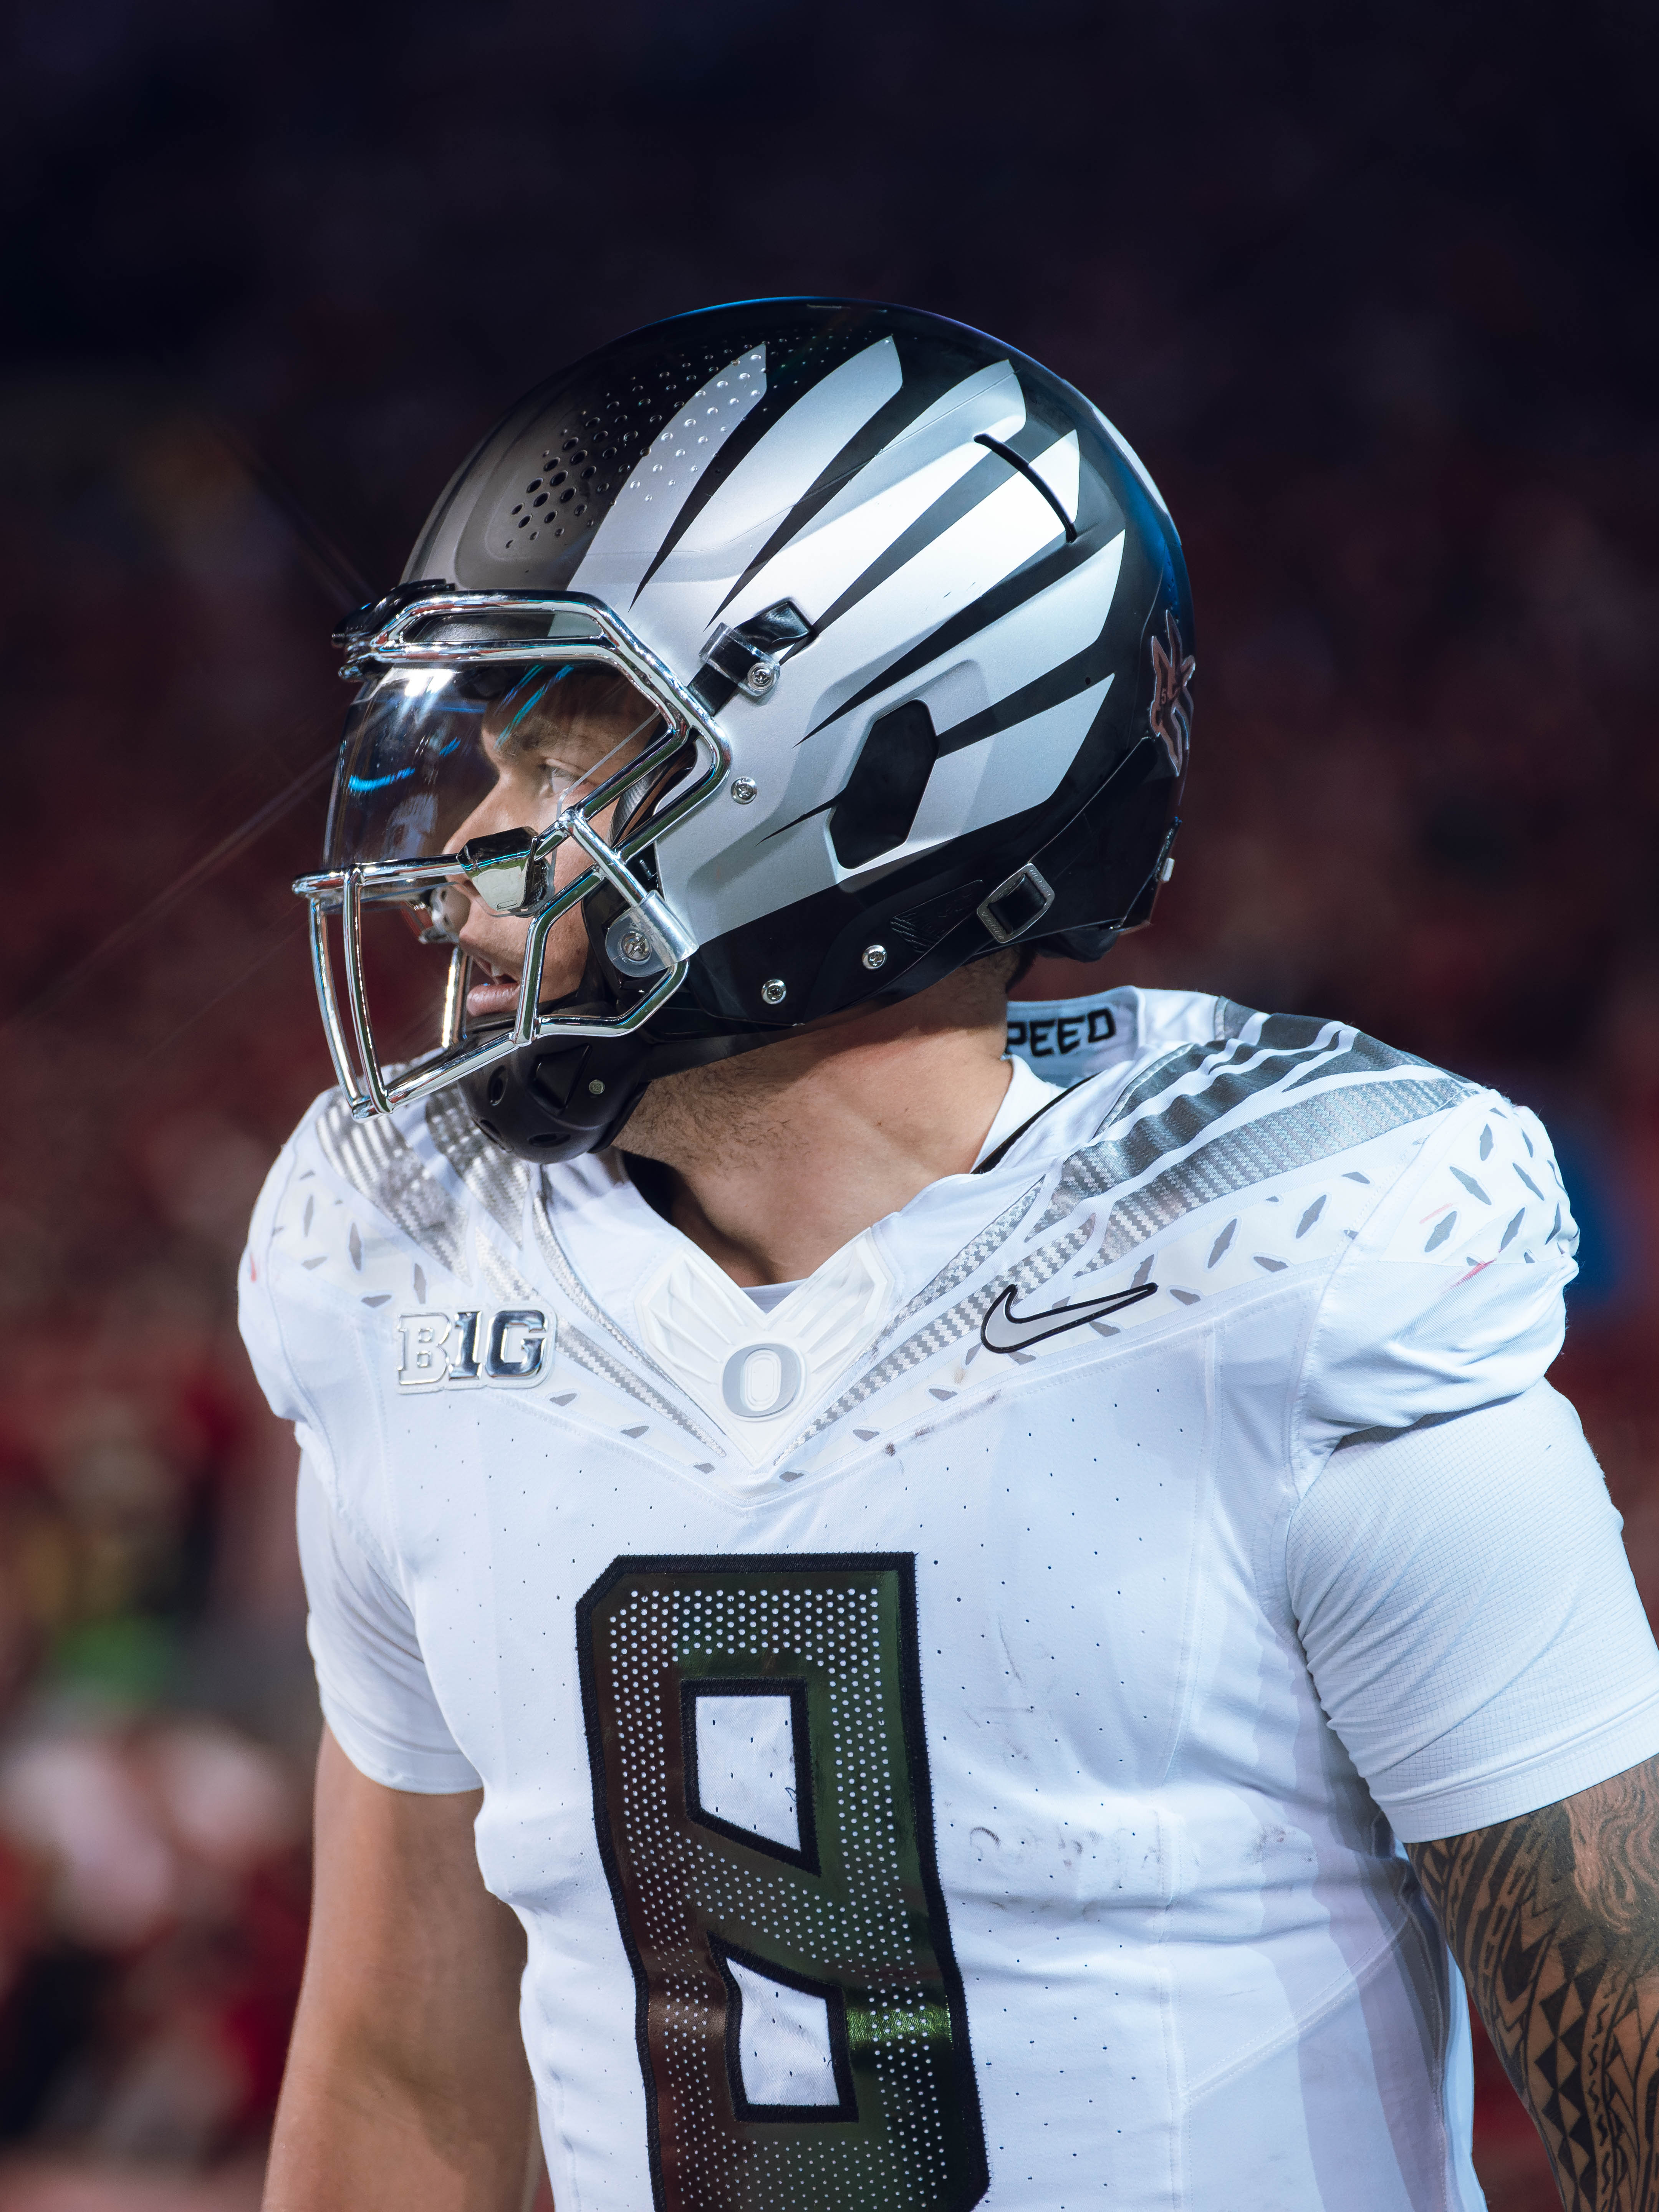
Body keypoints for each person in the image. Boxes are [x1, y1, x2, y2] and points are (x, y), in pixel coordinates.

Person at [242, 299, 1659, 2212]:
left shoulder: (1281, 1271)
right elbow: (414, 2081)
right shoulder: (416, 1274)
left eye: (561, 758)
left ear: (877, 764)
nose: (467, 853)